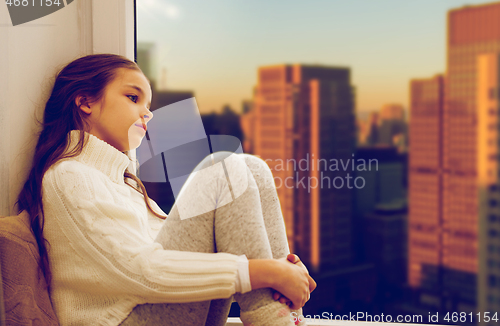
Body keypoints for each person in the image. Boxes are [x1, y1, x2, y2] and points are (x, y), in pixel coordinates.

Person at [16, 54, 316, 326]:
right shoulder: (69, 176)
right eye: (133, 97)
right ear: (85, 102)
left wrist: (279, 273)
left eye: (148, 106)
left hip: (153, 309)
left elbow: (184, 265)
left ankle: (286, 315)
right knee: (223, 169)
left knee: (254, 169)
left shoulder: (124, 184)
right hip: (123, 319)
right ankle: (274, 319)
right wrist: (265, 272)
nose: (147, 114)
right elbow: (141, 273)